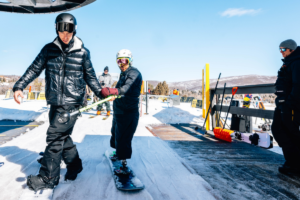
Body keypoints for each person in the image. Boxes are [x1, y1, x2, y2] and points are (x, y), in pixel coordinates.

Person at [13, 13, 103, 191]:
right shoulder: (49, 49)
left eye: (70, 29)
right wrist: (19, 86)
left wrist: (102, 93)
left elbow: (90, 77)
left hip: (72, 103)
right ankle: (75, 165)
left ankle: (48, 177)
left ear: (74, 29)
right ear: (56, 28)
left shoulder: (83, 52)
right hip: (55, 101)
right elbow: (34, 69)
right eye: (62, 29)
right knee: (62, 137)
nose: (66, 34)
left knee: (54, 137)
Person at [100, 49, 142, 174]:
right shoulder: (123, 74)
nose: (121, 64)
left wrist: (114, 91)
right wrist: (113, 95)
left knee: (123, 138)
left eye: (124, 60)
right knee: (115, 133)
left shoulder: (134, 73)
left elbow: (127, 88)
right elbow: (120, 90)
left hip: (128, 111)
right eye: (119, 61)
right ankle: (117, 153)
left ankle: (124, 165)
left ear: (130, 60)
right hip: (119, 110)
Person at [272, 39, 300, 176]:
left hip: (291, 105)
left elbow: (298, 86)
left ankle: (295, 164)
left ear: (291, 50)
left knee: (291, 132)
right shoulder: (289, 63)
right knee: (277, 129)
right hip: (282, 103)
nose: (281, 52)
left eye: (283, 49)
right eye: (280, 49)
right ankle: (292, 161)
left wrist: (289, 103)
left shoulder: (297, 62)